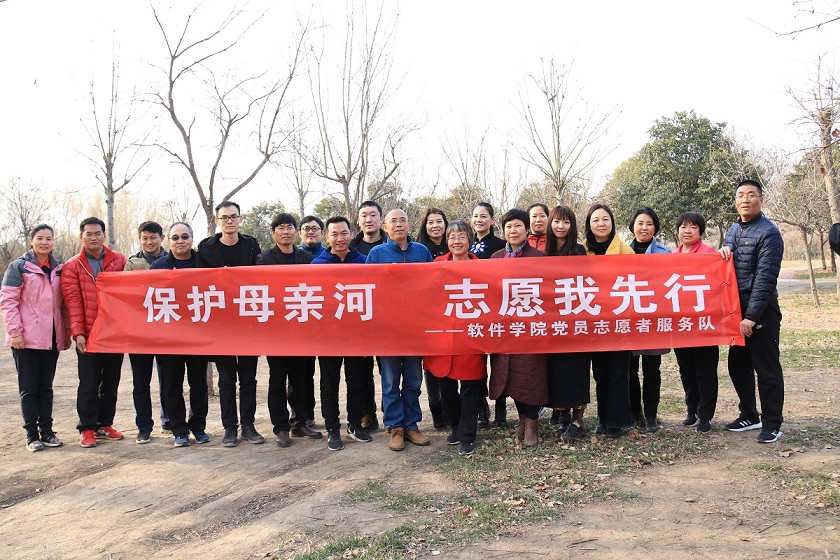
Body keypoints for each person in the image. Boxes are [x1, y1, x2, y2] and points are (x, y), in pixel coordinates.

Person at [719, 179, 785, 443]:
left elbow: (765, 279)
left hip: (760, 311)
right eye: (740, 195)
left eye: (751, 195)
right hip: (737, 310)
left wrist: (752, 317)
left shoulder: (769, 233)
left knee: (766, 368)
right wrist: (724, 251)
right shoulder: (734, 229)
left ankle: (772, 423)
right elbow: (727, 265)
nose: (745, 200)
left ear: (761, 200)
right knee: (737, 366)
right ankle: (749, 414)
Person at [197, 201, 265, 447]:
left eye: (233, 217)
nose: (229, 221)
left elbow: (261, 278)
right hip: (221, 324)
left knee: (248, 379)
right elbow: (199, 282)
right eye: (224, 218)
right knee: (226, 380)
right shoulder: (206, 248)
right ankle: (229, 428)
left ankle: (248, 425)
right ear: (217, 221)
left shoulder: (251, 245)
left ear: (240, 219)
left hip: (248, 321)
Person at [366, 209, 433, 451]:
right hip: (388, 330)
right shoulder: (376, 254)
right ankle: (395, 427)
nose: (398, 225)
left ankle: (412, 425)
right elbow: (368, 289)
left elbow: (433, 285)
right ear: (384, 227)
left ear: (409, 224)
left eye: (402, 220)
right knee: (390, 381)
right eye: (393, 221)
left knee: (413, 380)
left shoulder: (421, 252)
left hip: (416, 329)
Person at [1, 224, 71, 451]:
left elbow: (63, 305)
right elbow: (8, 302)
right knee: (29, 388)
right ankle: (32, 436)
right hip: (26, 338)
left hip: (51, 337)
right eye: (40, 238)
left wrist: (66, 332)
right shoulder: (19, 267)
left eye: (49, 238)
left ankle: (48, 432)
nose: (44, 242)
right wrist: (15, 333)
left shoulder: (59, 269)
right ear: (31, 241)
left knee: (46, 388)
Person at [256, 213, 322, 446]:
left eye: (289, 227)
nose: (286, 232)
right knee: (277, 379)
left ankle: (299, 422)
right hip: (276, 330)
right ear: (273, 232)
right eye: (281, 228)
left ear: (296, 232)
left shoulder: (306, 258)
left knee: (300, 379)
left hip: (301, 327)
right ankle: (280, 427)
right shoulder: (263, 259)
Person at [62, 217, 128, 448]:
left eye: (97, 233)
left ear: (104, 235)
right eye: (88, 234)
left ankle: (105, 423)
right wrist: (78, 332)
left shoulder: (119, 260)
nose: (93, 237)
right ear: (81, 237)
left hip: (114, 333)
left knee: (111, 382)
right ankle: (87, 428)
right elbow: (73, 302)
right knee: (89, 383)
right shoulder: (73, 266)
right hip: (89, 334)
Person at [424, 220, 486, 456]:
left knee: (470, 386)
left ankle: (467, 435)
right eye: (452, 237)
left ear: (470, 239)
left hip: (471, 334)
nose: (456, 241)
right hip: (442, 335)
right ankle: (456, 426)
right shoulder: (437, 265)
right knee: (446, 386)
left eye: (461, 237)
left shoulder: (483, 267)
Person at [311, 216, 373, 451]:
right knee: (329, 384)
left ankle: (355, 424)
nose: (340, 238)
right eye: (334, 234)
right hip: (328, 336)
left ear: (351, 233)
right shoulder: (317, 265)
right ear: (327, 237)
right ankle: (332, 428)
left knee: (356, 382)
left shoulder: (364, 262)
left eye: (344, 233)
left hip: (357, 334)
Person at [489, 208, 547, 447]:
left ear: (526, 229)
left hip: (531, 328)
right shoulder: (496, 258)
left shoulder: (539, 257)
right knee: (511, 376)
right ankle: (522, 421)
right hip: (505, 329)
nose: (513, 231)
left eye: (518, 226)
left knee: (531, 374)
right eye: (509, 227)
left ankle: (532, 423)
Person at [150, 223, 211, 447]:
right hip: (169, 338)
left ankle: (199, 427)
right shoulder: (158, 267)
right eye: (175, 238)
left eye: (185, 237)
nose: (180, 241)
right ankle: (178, 430)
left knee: (199, 385)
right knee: (172, 386)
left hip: (197, 336)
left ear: (192, 239)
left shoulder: (204, 263)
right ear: (168, 241)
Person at [583, 204, 633, 439]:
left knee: (617, 371)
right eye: (595, 220)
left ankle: (616, 421)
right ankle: (603, 418)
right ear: (589, 225)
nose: (601, 224)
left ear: (612, 223)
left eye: (605, 219)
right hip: (593, 321)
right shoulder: (582, 251)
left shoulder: (626, 251)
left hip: (619, 320)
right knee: (600, 372)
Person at [543, 206, 590, 442]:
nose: (561, 226)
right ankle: (563, 416)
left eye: (566, 222)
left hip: (576, 321)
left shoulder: (578, 251)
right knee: (557, 370)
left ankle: (578, 420)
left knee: (577, 369)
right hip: (553, 323)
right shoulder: (544, 254)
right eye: (557, 222)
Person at [673, 212, 720, 433]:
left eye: (692, 227)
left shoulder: (708, 253)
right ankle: (692, 409)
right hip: (680, 323)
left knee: (705, 370)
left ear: (700, 230)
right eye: (683, 227)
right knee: (686, 369)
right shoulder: (672, 256)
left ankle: (705, 415)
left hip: (703, 323)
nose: (687, 231)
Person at [124, 221, 170, 443]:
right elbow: (124, 296)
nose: (149, 242)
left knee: (168, 380)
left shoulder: (172, 261)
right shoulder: (132, 264)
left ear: (161, 238)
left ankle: (168, 420)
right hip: (140, 333)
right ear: (140, 239)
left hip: (167, 330)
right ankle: (144, 426)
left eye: (153, 237)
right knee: (140, 383)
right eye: (145, 238)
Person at [627, 207, 671, 433]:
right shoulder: (622, 253)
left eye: (649, 224)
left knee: (652, 370)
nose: (644, 228)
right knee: (630, 370)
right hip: (628, 320)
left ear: (655, 228)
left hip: (654, 320)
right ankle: (636, 413)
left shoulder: (665, 254)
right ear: (632, 226)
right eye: (640, 223)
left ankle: (651, 416)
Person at [349, 200, 387, 433]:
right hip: (359, 319)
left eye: (373, 215)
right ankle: (367, 414)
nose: (368, 219)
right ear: (359, 220)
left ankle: (391, 415)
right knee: (361, 372)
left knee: (388, 370)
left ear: (381, 219)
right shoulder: (349, 248)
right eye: (364, 215)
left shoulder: (393, 244)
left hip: (387, 319)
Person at [468, 202, 506, 428]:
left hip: (497, 308)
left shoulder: (501, 245)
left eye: (483, 216)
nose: (479, 220)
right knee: (476, 360)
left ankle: (501, 404)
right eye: (475, 216)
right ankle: (481, 404)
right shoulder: (466, 243)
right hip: (473, 310)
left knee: (499, 360)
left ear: (492, 220)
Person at [416, 207, 450, 431]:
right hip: (427, 315)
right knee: (430, 364)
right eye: (431, 222)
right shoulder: (419, 250)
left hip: (452, 311)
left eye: (439, 221)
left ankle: (450, 406)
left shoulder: (454, 245)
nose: (435, 226)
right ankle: (436, 407)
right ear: (425, 226)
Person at [294, 215, 326, 429]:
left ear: (322, 232)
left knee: (328, 374)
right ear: (300, 233)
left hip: (327, 323)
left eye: (315, 228)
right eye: (306, 228)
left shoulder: (329, 256)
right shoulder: (294, 256)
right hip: (301, 323)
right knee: (302, 374)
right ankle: (304, 416)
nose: (310, 232)